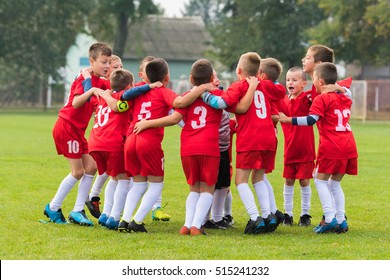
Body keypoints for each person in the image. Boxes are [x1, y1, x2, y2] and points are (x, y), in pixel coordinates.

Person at [116, 57, 215, 233]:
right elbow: (180, 103)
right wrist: (201, 88)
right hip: (148, 140)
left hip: (131, 138)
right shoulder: (163, 91)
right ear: (167, 78)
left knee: (138, 183)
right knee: (156, 184)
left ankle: (124, 220)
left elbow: (123, 98)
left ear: (145, 76)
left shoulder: (138, 89)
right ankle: (137, 221)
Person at [202, 52, 286, 234]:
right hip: (269, 136)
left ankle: (255, 217)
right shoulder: (266, 85)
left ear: (239, 70)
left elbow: (222, 102)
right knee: (258, 178)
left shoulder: (239, 86)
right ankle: (267, 215)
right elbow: (281, 90)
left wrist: (205, 95)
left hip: (250, 137)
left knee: (241, 180)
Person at [279, 62, 358, 234]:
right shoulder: (345, 97)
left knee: (320, 180)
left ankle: (329, 219)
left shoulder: (322, 98)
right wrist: (340, 88)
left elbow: (310, 120)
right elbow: (349, 94)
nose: (312, 81)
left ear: (320, 82)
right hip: (349, 145)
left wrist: (288, 120)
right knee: (335, 184)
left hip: (332, 146)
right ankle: (341, 220)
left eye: (313, 78)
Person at [44, 42, 112, 225]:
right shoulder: (84, 79)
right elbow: (75, 103)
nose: (107, 66)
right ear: (92, 61)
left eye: (109, 63)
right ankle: (52, 207)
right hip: (67, 126)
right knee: (78, 171)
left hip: (78, 131)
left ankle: (77, 211)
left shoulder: (102, 82)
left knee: (91, 167)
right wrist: (91, 89)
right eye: (103, 62)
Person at [85, 54, 124, 219]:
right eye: (115, 67)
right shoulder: (107, 89)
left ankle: (94, 198)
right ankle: (110, 211)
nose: (119, 69)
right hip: (109, 134)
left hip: (103, 135)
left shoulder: (113, 87)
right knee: (119, 176)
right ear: (107, 72)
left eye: (120, 66)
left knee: (108, 171)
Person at [278, 66, 315, 226]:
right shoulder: (283, 101)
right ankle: (288, 214)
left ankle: (305, 214)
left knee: (304, 181)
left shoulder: (307, 99)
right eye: (287, 80)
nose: (290, 82)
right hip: (289, 150)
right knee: (289, 181)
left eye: (294, 80)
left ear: (304, 83)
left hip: (306, 150)